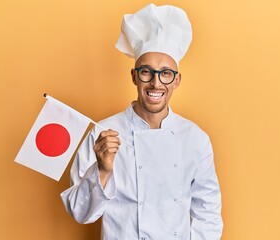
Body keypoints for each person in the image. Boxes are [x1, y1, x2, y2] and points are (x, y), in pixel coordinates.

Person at [61, 3, 223, 240]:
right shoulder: (103, 134)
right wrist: (102, 171)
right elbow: (80, 212)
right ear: (134, 76)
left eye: (165, 73)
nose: (156, 84)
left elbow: (207, 215)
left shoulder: (196, 139)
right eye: (146, 71)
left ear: (176, 81)